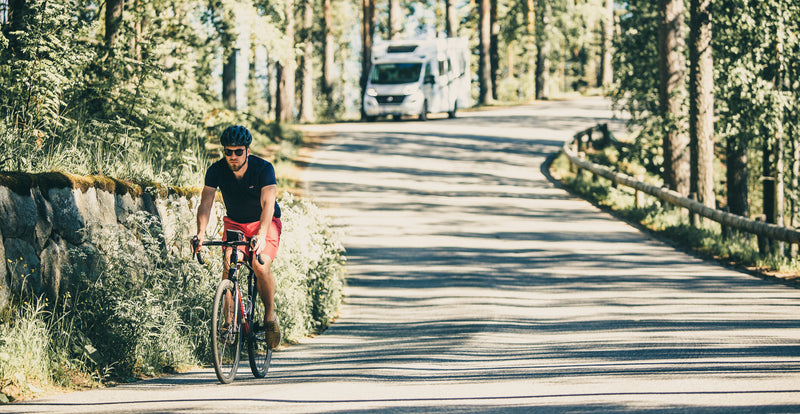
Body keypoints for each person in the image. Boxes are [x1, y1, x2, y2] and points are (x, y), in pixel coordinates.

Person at [193, 125, 282, 349]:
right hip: (235, 223)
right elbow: (206, 203)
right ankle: (229, 323)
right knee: (229, 265)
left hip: (264, 221)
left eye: (238, 151)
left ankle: (269, 316)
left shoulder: (264, 169)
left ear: (247, 151)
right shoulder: (216, 170)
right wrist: (200, 233)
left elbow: (268, 204)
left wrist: (261, 234)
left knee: (260, 265)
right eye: (228, 152)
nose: (233, 156)